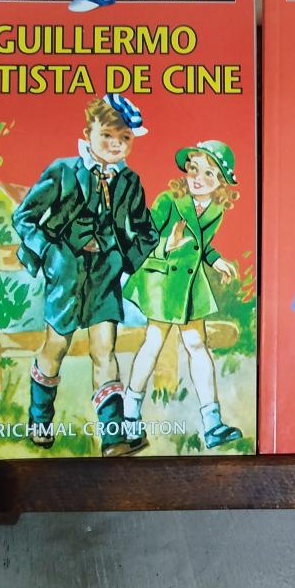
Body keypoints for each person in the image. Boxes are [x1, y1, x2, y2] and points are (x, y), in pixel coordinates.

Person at [12, 95, 159, 456]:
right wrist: (50, 253)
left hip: (104, 274)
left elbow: (147, 232)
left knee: (104, 350)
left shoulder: (129, 182)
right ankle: (40, 419)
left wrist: (124, 261)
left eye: (125, 138)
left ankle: (113, 437)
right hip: (66, 272)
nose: (116, 145)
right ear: (88, 133)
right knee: (57, 345)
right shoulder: (63, 171)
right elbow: (24, 217)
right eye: (107, 135)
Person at [122, 141, 243, 450]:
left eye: (209, 174)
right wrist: (168, 244)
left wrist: (217, 260)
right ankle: (129, 416)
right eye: (194, 169)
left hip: (190, 287)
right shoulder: (169, 199)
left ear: (221, 184)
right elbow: (144, 236)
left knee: (197, 346)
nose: (198, 178)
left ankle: (212, 424)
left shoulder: (215, 210)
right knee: (152, 344)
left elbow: (203, 245)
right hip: (162, 283)